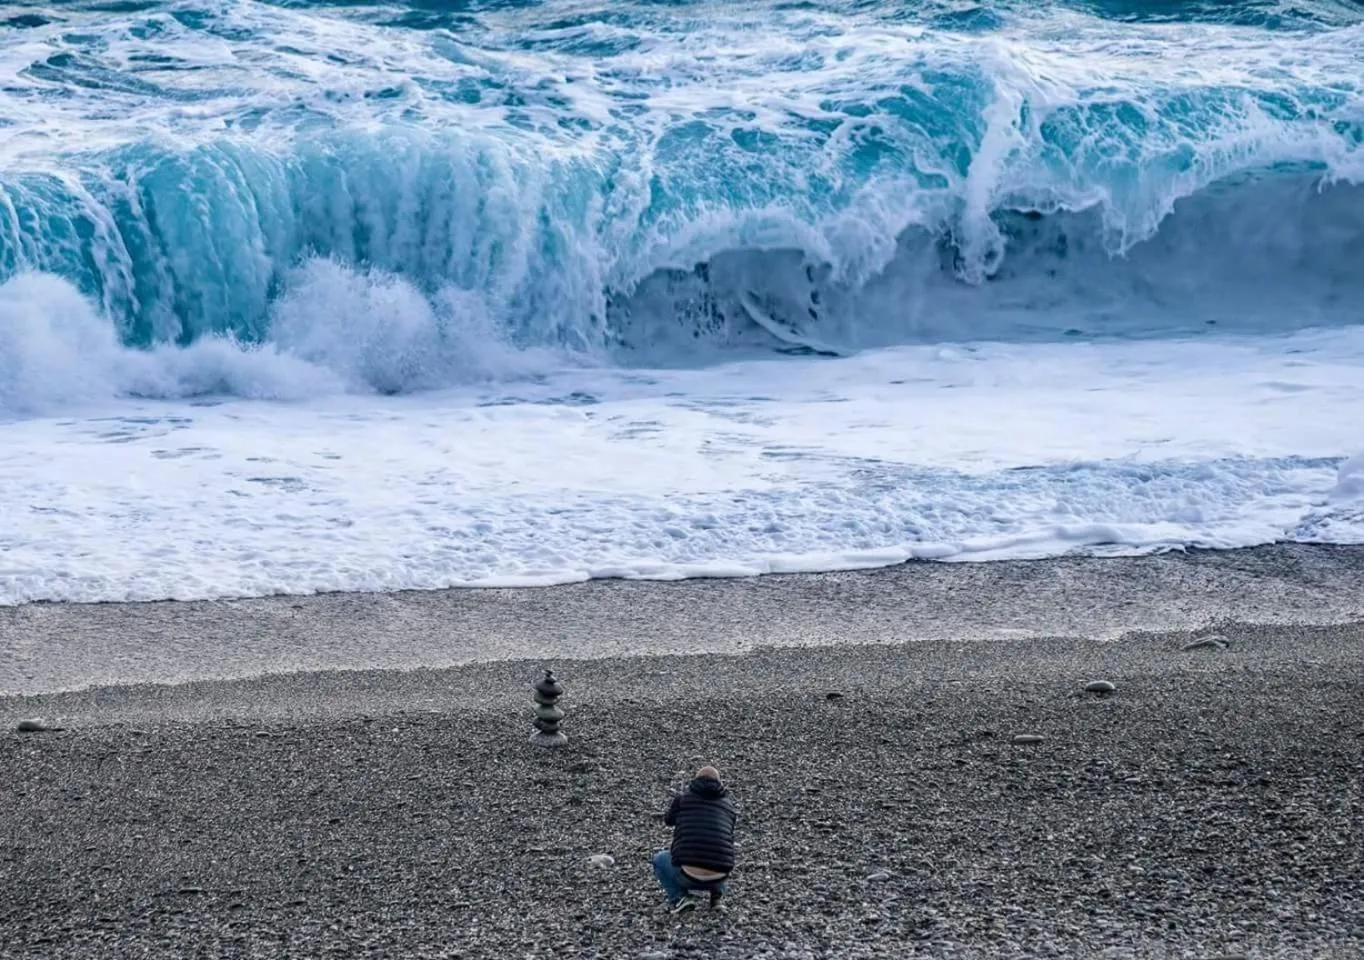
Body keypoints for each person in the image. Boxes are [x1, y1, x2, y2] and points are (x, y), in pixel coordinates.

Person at [651, 764, 737, 913]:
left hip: (687, 875)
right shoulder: (728, 806)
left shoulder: (683, 799)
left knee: (659, 859)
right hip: (719, 876)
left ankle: (680, 897)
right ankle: (716, 899)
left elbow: (668, 820)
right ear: (720, 783)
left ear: (695, 781)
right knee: (720, 850)